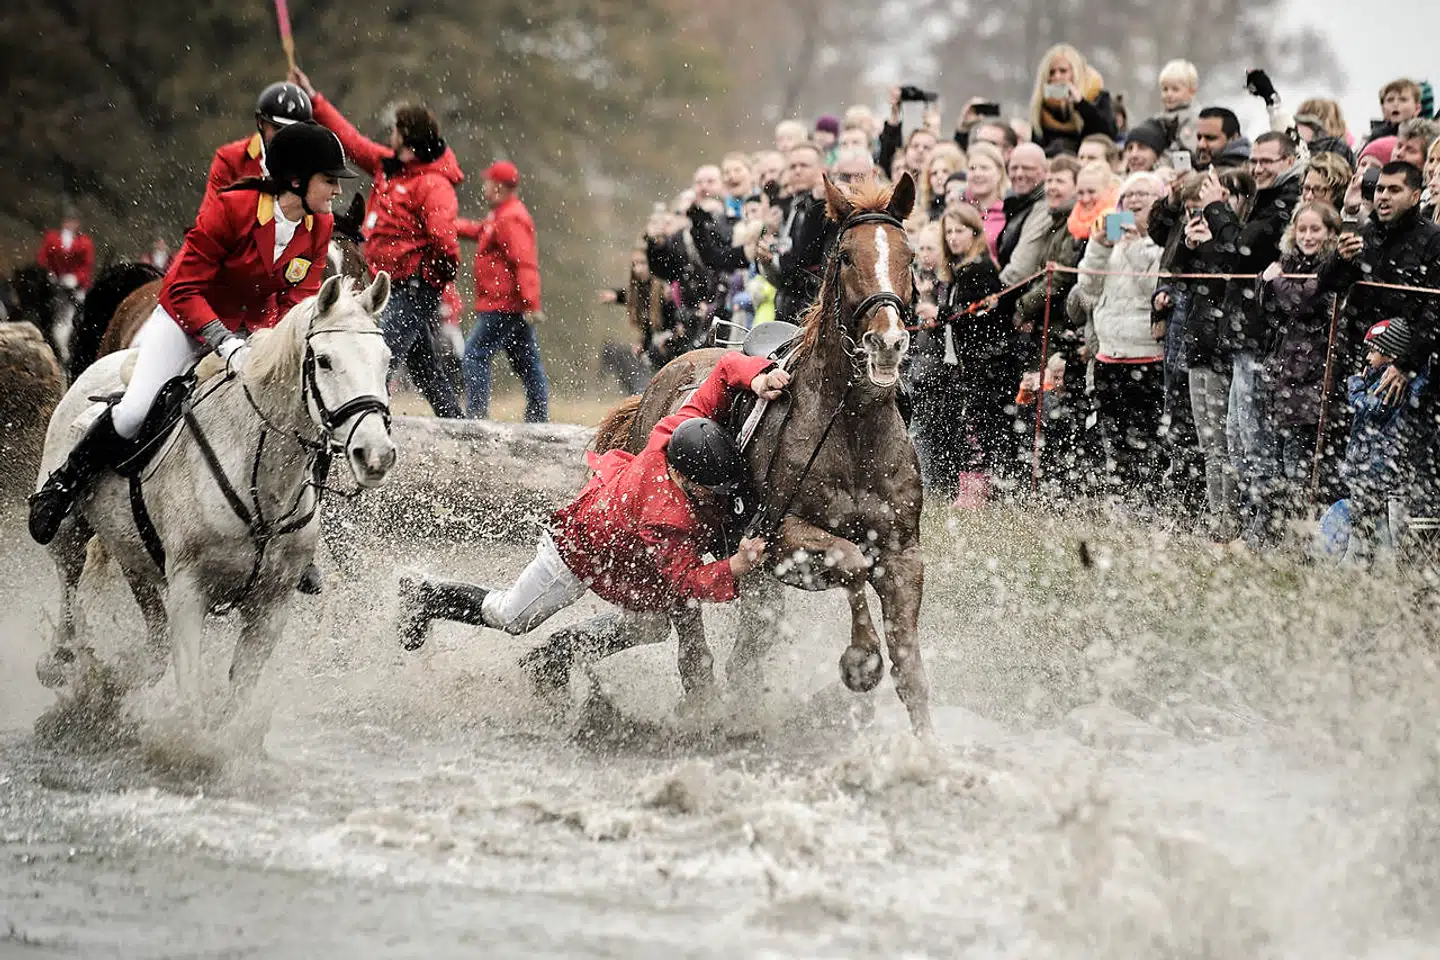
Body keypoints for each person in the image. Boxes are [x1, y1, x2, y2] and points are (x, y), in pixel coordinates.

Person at [29, 122, 353, 546]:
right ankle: (66, 483)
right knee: (133, 414)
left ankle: (292, 536)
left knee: (294, 416)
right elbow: (183, 287)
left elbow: (299, 302)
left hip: (254, 330)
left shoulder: (320, 227)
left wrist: (269, 342)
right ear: (296, 179)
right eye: (329, 180)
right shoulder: (232, 208)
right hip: (185, 320)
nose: (337, 191)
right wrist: (223, 341)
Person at [395, 353, 791, 664]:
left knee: (651, 629)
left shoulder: (673, 433)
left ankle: (559, 654)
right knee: (511, 618)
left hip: (624, 553)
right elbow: (683, 583)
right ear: (686, 480)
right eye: (711, 492)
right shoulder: (664, 517)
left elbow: (723, 370)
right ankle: (426, 595)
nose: (717, 498)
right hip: (578, 555)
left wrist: (758, 375)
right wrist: (735, 565)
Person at [296, 67, 466, 420]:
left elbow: (444, 243)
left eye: (395, 130)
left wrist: (427, 279)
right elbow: (351, 142)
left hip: (412, 288)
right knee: (425, 370)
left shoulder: (434, 184)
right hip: (392, 284)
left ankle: (361, 424)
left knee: (374, 358)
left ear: (408, 138)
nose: (390, 134)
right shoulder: (391, 167)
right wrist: (315, 100)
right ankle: (458, 426)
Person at [1069, 172, 1167, 497]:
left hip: (1147, 354)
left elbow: (1153, 288)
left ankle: (1148, 499)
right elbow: (1088, 291)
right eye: (1129, 195)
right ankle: (1122, 500)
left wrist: (1136, 244)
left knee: (1146, 437)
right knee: (1112, 433)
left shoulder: (1162, 242)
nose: (1135, 200)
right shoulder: (1110, 243)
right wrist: (1097, 248)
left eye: (1144, 194)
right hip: (1109, 354)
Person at [1256, 201, 1341, 523]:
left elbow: (1301, 300)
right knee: (1276, 462)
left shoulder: (1329, 266)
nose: (1307, 235)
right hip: (1283, 375)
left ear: (1330, 233)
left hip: (1311, 376)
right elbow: (1264, 305)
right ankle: (1279, 529)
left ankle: (1301, 533)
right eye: (1302, 228)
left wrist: (1274, 281)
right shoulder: (1287, 261)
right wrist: (1267, 282)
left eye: (1315, 229)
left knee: (1299, 466)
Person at [457, 161, 549, 422]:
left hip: (503, 305)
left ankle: (477, 417)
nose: (484, 187)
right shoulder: (500, 215)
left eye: (487, 183)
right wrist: (450, 225)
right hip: (509, 304)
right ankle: (538, 419)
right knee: (526, 362)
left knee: (475, 354)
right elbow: (480, 230)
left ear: (498, 187)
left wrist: (531, 303)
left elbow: (524, 262)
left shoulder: (511, 217)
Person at [206, 82, 314, 198]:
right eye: (278, 128)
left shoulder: (315, 162)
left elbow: (336, 139)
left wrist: (314, 98)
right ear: (261, 123)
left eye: (294, 131)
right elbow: (210, 212)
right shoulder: (230, 160)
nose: (286, 137)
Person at [1029, 44, 1118, 155]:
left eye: (1063, 71)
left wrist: (1080, 104)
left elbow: (1108, 135)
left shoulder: (1097, 97)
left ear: (1076, 73)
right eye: (1051, 72)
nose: (1057, 77)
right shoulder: (1042, 107)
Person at [963, 142, 1009, 259]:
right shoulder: (960, 210)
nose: (977, 173)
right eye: (972, 168)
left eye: (984, 168)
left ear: (999, 172)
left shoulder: (1008, 212)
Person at [36, 204, 95, 296]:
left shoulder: (85, 242)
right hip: (52, 283)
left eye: (73, 221)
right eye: (67, 220)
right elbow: (42, 259)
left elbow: (86, 266)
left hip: (76, 286)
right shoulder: (51, 238)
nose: (70, 224)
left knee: (78, 303)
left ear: (78, 224)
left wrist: (76, 278)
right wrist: (48, 273)